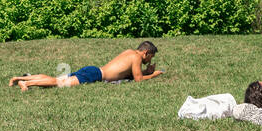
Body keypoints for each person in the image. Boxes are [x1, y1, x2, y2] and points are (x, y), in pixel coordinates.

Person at [10, 41, 162, 91]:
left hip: (93, 70)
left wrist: (145, 71)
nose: (149, 61)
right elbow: (138, 79)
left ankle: (17, 78)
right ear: (146, 52)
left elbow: (126, 72)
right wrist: (153, 74)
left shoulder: (129, 52)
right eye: (150, 58)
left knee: (56, 78)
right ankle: (26, 82)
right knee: (58, 83)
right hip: (95, 75)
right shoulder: (136, 57)